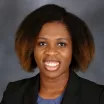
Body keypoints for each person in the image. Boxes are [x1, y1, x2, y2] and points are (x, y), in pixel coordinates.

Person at [0, 4, 104, 104]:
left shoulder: (97, 96)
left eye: (61, 44)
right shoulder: (13, 94)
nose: (51, 51)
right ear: (31, 48)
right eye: (42, 43)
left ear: (75, 49)